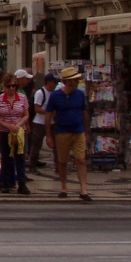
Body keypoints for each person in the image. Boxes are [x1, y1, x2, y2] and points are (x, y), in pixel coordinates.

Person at [45, 66, 92, 201]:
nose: (76, 82)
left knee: (80, 159)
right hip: (62, 132)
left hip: (78, 131)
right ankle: (64, 187)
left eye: (76, 80)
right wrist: (49, 135)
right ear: (66, 82)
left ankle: (83, 189)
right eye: (73, 80)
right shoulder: (56, 96)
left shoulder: (79, 95)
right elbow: (48, 115)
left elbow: (84, 113)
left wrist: (86, 131)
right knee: (62, 161)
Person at [0, 73, 30, 195]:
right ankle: (5, 182)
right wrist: (6, 126)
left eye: (14, 86)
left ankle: (22, 183)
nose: (12, 88)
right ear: (3, 87)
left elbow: (26, 114)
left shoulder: (22, 97)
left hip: (19, 131)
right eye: (9, 86)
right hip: (6, 131)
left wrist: (19, 124)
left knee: (20, 157)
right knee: (6, 157)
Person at [29, 73, 58, 172]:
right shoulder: (40, 93)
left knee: (56, 144)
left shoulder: (54, 93)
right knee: (36, 145)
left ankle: (57, 164)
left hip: (52, 122)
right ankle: (32, 165)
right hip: (39, 123)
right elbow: (37, 109)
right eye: (54, 82)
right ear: (49, 82)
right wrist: (49, 112)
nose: (55, 84)